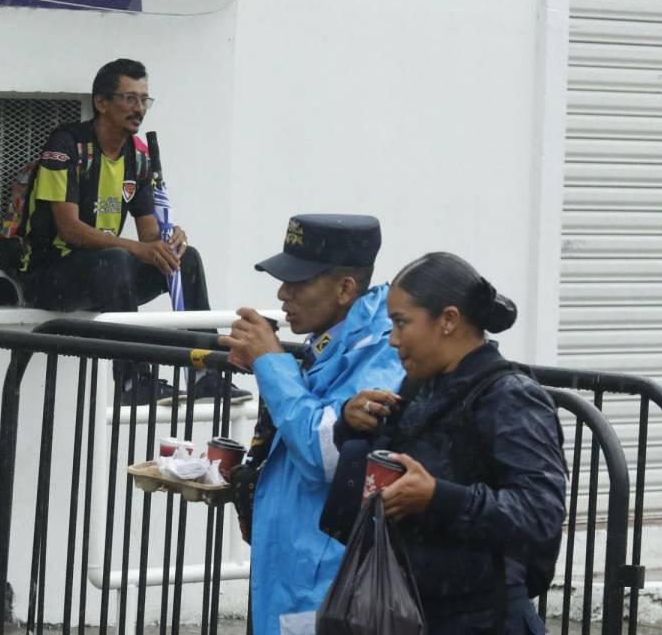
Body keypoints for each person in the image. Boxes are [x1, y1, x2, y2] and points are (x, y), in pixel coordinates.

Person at [323, 252, 566, 634]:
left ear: (448, 320)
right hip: (413, 610)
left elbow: (541, 513)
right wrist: (352, 425)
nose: (394, 340)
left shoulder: (511, 397)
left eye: (402, 323)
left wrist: (438, 497)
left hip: (487, 619)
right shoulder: (422, 386)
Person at [20, 57, 246, 405]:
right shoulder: (65, 146)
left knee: (186, 260)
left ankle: (206, 374)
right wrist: (136, 249)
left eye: (144, 99)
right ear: (101, 103)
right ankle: (132, 380)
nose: (138, 108)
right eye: (129, 98)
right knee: (115, 258)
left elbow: (148, 235)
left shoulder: (138, 156)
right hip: (51, 277)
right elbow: (69, 230)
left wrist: (170, 240)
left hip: (107, 275)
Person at [218, 214, 404, 635]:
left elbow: (326, 453)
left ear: (345, 288)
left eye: (298, 282)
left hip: (331, 590)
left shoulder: (384, 350)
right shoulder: (334, 340)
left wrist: (270, 362)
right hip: (296, 580)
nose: (283, 293)